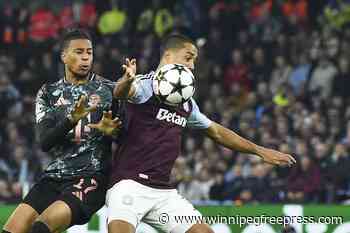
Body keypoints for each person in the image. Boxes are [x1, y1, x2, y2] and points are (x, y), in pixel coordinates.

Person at [107, 34, 296, 233]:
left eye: (194, 60)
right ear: (169, 57)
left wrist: (259, 151)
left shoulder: (186, 102)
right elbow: (121, 93)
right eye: (188, 58)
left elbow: (216, 132)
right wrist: (127, 80)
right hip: (128, 184)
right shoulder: (145, 85)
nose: (193, 66)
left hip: (162, 192)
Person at [2, 28, 135, 233]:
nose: (85, 58)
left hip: (91, 177)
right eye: (79, 52)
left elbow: (129, 138)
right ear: (64, 56)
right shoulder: (49, 93)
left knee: (41, 228)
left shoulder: (110, 90)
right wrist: (71, 118)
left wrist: (114, 133)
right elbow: (45, 142)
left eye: (89, 52)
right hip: (54, 177)